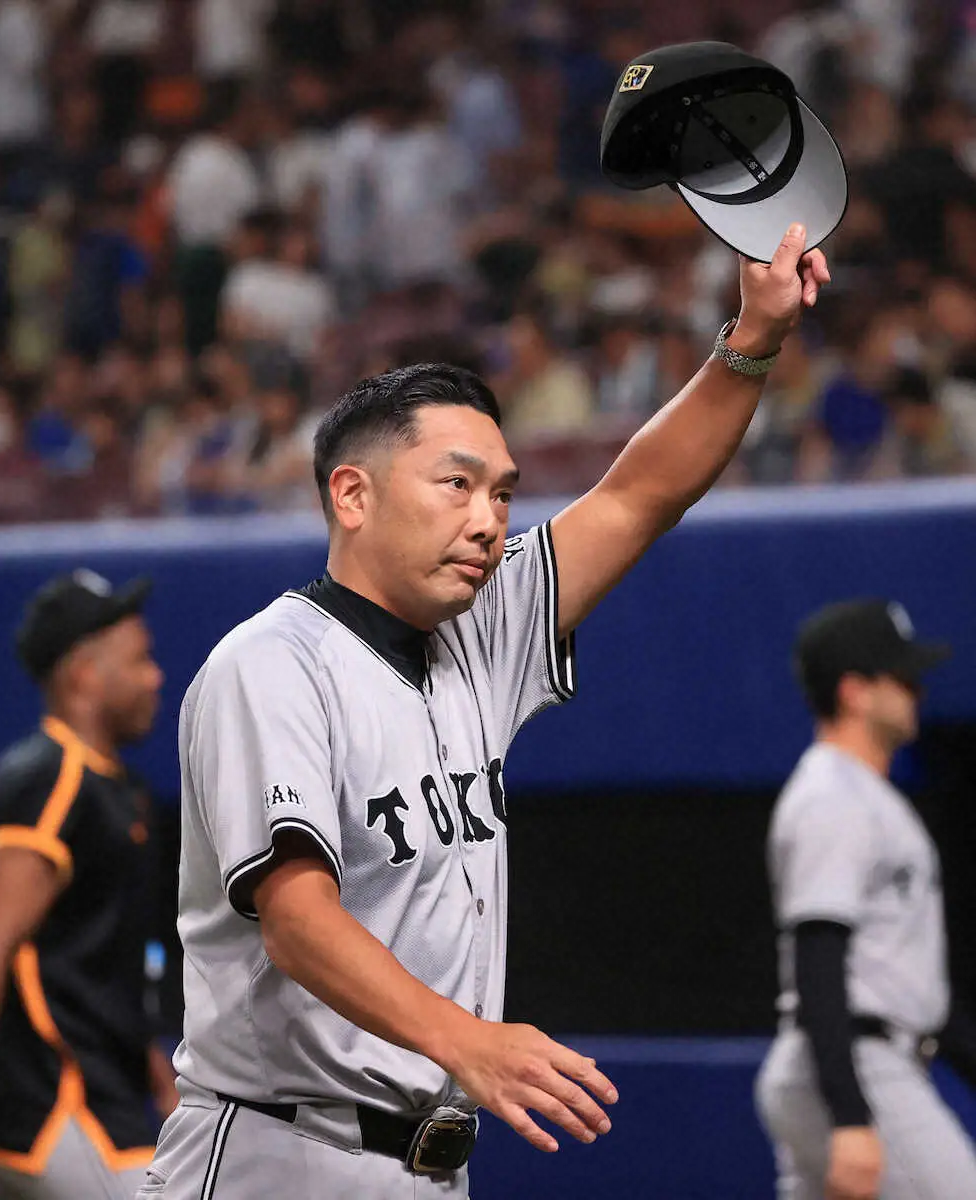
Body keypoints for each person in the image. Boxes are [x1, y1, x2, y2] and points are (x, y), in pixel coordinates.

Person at [140, 224, 829, 1199]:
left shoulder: (479, 628)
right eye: (456, 484)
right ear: (352, 495)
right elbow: (295, 919)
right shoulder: (271, 665)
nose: (487, 519)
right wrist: (468, 1040)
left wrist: (753, 339)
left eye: (502, 494)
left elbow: (637, 496)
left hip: (430, 1162)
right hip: (278, 1151)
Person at [0, 571, 177, 1200]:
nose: (156, 677)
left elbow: (104, 970)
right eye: (138, 660)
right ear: (83, 675)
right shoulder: (50, 776)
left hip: (50, 1107)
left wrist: (161, 1081)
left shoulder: (121, 792)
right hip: (57, 1103)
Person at [756, 599, 976, 1199]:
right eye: (901, 678)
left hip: (860, 1056)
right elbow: (819, 956)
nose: (918, 691)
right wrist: (851, 1116)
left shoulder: (867, 796)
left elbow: (911, 980)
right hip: (852, 1062)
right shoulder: (831, 796)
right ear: (855, 691)